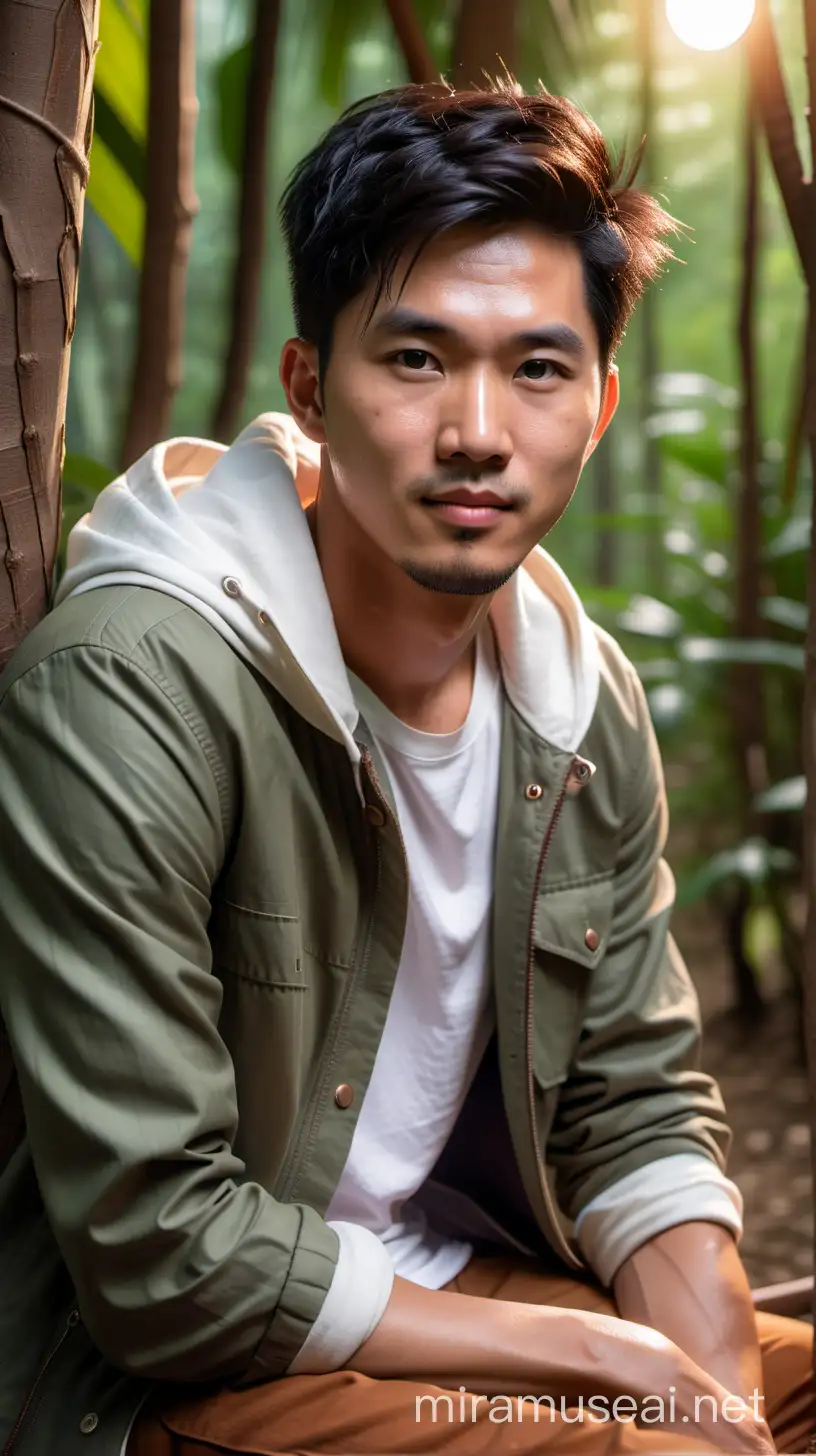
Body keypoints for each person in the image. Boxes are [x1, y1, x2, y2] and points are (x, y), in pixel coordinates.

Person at [0, 78, 812, 1456]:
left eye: (538, 368)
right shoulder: (134, 681)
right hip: (174, 1367)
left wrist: (717, 1388)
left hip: (438, 1296)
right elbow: (156, 1253)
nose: (480, 432)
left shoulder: (576, 699)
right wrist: (596, 1354)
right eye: (419, 359)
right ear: (311, 386)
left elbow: (634, 1096)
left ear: (600, 403)